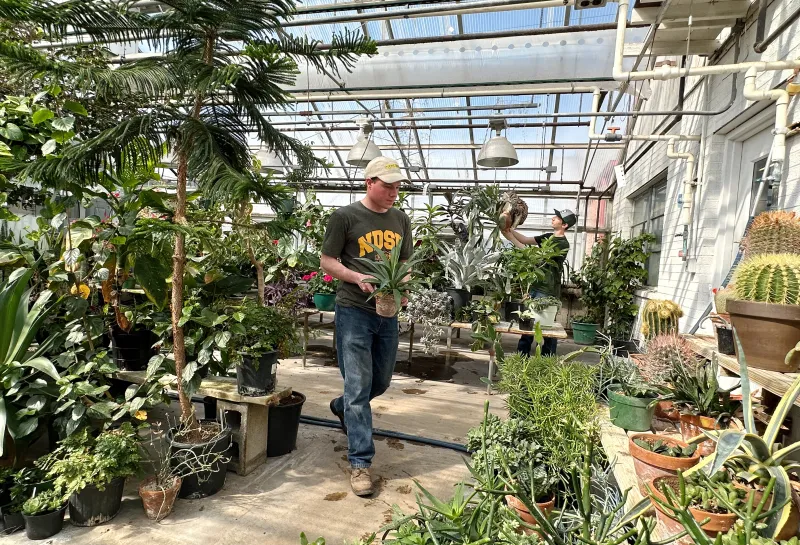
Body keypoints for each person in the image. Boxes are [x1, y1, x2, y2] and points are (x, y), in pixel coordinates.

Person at [320, 156, 413, 497]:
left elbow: (404, 263)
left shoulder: (401, 219)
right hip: (354, 310)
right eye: (387, 186)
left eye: (397, 186)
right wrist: (357, 276)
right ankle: (360, 462)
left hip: (387, 311)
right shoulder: (345, 217)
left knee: (382, 380)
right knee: (359, 387)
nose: (394, 192)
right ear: (369, 183)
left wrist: (399, 288)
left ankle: (340, 406)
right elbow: (327, 261)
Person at [501, 209, 576, 356]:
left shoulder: (562, 244)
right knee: (527, 322)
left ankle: (546, 361)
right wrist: (509, 229)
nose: (553, 217)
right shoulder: (548, 237)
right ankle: (522, 358)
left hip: (547, 290)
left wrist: (511, 238)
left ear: (565, 225)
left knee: (547, 328)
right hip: (536, 287)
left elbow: (536, 257)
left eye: (558, 217)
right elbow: (525, 240)